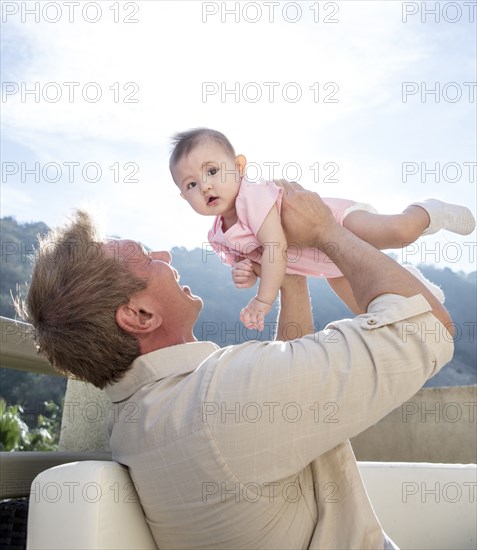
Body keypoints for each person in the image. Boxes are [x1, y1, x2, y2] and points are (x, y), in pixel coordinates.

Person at [17, 183, 455, 549]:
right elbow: (429, 326)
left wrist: (290, 278)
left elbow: (288, 394)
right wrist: (325, 232)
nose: (167, 256)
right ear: (140, 317)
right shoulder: (219, 400)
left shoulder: (139, 418)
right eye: (147, 257)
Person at [169, 128, 475, 330]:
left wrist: (263, 300)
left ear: (238, 167)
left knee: (400, 231)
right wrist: (245, 273)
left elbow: (275, 248)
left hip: (334, 224)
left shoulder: (253, 195)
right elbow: (253, 263)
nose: (205, 185)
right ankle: (416, 284)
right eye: (192, 184)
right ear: (185, 198)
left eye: (211, 170)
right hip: (323, 262)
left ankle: (429, 211)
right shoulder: (218, 234)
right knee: (371, 307)